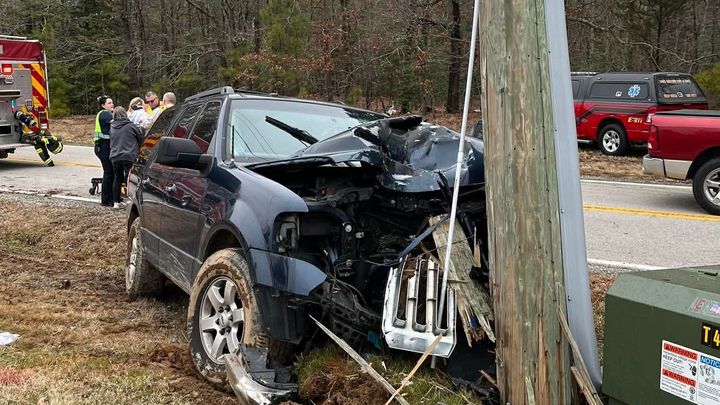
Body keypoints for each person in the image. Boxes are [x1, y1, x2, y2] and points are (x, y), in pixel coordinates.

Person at [109, 107, 143, 209]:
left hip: (115, 156)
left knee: (117, 178)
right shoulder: (131, 126)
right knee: (129, 178)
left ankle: (116, 202)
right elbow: (140, 138)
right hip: (129, 155)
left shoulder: (112, 127)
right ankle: (130, 200)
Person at [94, 95, 114, 206]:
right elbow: (117, 122)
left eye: (112, 102)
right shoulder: (105, 114)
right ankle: (106, 200)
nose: (112, 104)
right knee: (109, 172)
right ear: (103, 105)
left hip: (103, 146)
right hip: (103, 146)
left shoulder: (103, 114)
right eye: (109, 103)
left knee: (110, 172)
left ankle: (110, 197)